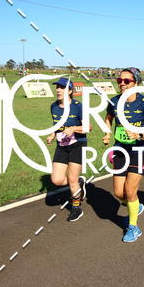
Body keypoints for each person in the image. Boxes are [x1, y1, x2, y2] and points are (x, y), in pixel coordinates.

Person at [103, 67, 144, 243]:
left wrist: (138, 134)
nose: (122, 84)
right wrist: (107, 133)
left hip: (141, 150)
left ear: (136, 83)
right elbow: (108, 118)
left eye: (127, 81)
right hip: (120, 150)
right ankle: (135, 204)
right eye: (120, 80)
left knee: (130, 190)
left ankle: (133, 227)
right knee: (119, 193)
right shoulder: (114, 101)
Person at [46, 78, 90, 222]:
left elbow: (88, 127)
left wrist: (74, 128)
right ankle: (79, 183)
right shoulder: (54, 106)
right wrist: (52, 135)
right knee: (57, 180)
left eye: (62, 87)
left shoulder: (78, 107)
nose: (58, 90)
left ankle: (76, 207)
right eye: (57, 87)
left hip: (77, 144)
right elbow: (56, 126)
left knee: (72, 179)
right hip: (62, 145)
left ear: (70, 91)